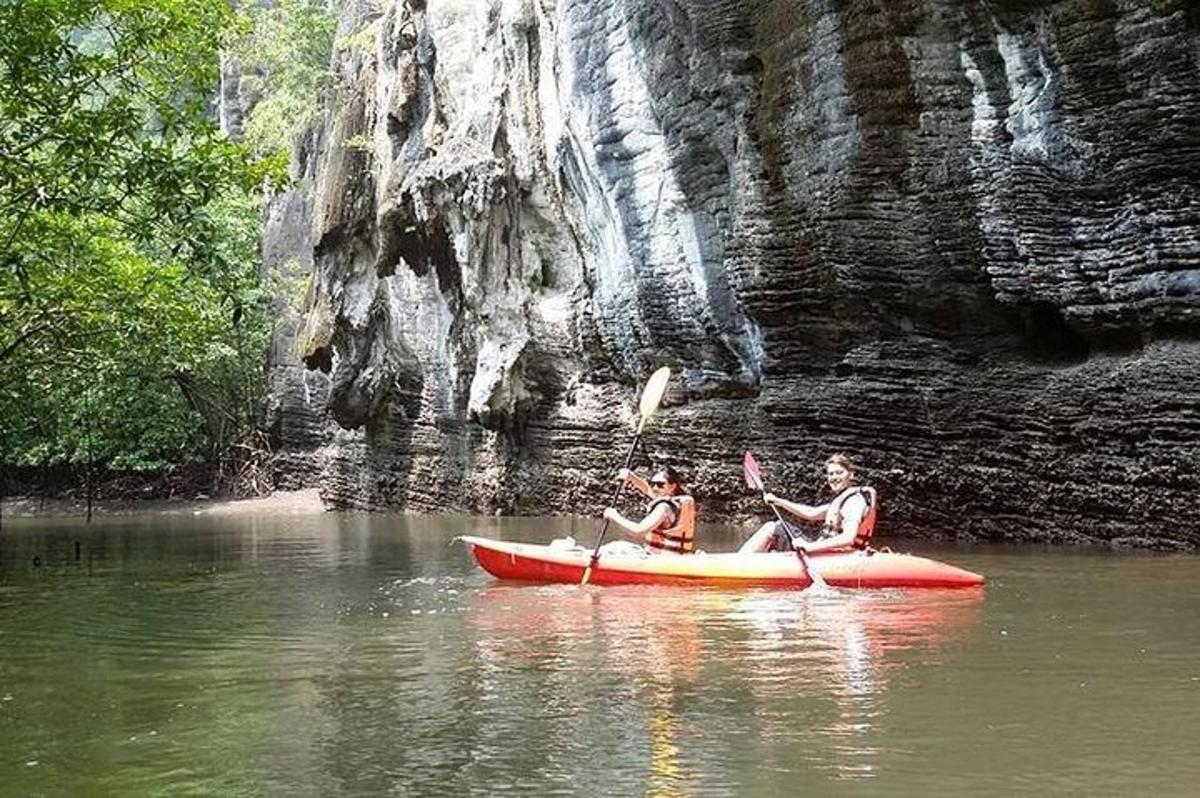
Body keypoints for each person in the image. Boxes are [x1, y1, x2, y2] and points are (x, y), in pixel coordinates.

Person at [738, 453, 877, 554]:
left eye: (839, 473)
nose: (834, 478)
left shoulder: (853, 502)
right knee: (777, 526)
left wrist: (808, 547)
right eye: (831, 474)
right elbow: (812, 513)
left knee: (771, 528)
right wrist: (778, 501)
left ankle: (740, 563)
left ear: (851, 474)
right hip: (828, 551)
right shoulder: (843, 500)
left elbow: (848, 538)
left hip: (836, 556)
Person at [602, 465, 697, 554]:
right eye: (653, 484)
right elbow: (647, 489)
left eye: (660, 485)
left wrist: (613, 515)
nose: (655, 488)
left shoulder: (664, 507)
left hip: (661, 560)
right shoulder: (680, 501)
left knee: (616, 546)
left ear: (673, 486)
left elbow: (638, 532)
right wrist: (631, 476)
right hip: (678, 558)